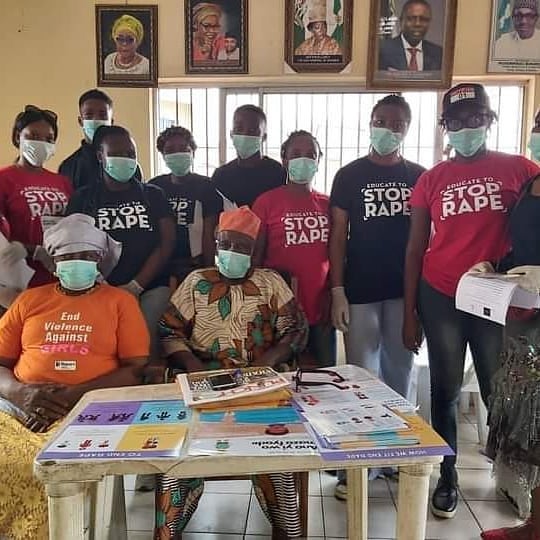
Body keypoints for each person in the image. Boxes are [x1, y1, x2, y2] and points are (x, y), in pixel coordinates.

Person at [403, 83, 540, 520]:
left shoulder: (520, 169)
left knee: (497, 390)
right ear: (445, 126)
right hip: (441, 292)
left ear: (489, 120)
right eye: (456, 121)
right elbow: (415, 248)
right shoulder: (431, 179)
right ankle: (447, 477)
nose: (466, 128)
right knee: (444, 389)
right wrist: (409, 312)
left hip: (494, 297)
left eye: (475, 118)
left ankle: (510, 476)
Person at [156, 206, 308, 539]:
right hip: (204, 385)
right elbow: (169, 329)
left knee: (279, 462)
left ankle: (287, 531)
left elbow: (296, 330)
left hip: (260, 385)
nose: (232, 252)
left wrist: (266, 363)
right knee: (175, 464)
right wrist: (194, 368)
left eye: (241, 247)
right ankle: (170, 531)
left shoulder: (270, 282)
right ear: (215, 244)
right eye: (225, 244)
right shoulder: (197, 282)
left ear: (253, 251)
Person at [0, 213, 150, 540]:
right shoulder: (29, 301)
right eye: (68, 256)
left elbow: (134, 368)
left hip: (93, 407)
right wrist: (20, 393)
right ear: (54, 263)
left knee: (50, 468)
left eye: (87, 255)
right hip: (19, 405)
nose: (77, 262)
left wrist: (71, 397)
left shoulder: (120, 302)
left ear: (100, 260)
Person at [329, 94, 425, 498]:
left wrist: (418, 304)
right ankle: (360, 465)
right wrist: (337, 290)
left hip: (404, 291)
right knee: (359, 377)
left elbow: (425, 241)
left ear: (408, 129)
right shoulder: (348, 176)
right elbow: (337, 237)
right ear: (370, 123)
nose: (389, 129)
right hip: (360, 290)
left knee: (401, 374)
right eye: (381, 121)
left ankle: (396, 456)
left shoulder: (419, 176)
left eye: (398, 123)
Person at [477, 110, 540, 540]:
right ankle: (534, 523)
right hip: (522, 315)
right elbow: (524, 243)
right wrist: (496, 268)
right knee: (528, 420)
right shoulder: (531, 182)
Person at [66, 125, 175, 365]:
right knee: (104, 348)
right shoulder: (83, 197)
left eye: (130, 154)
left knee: (146, 345)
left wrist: (136, 285)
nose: (125, 159)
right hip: (97, 287)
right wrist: (103, 286)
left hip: (150, 286)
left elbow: (167, 242)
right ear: (100, 156)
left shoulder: (153, 194)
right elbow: (72, 245)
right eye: (116, 154)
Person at [253, 130, 334, 368]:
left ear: (318, 161)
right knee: (280, 377)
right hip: (280, 311)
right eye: (296, 153)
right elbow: (256, 258)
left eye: (311, 154)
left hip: (320, 308)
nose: (304, 159)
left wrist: (333, 293)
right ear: (284, 159)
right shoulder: (266, 202)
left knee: (324, 377)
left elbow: (338, 254)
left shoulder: (328, 204)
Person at [0, 105, 72, 288]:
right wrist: (30, 250)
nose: (41, 143)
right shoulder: (4, 179)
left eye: (49, 139)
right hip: (19, 280)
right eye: (33, 136)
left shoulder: (62, 182)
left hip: (60, 278)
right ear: (18, 137)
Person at [149, 126, 222, 286]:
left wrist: (209, 272)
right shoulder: (154, 187)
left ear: (192, 153)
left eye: (183, 148)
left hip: (194, 265)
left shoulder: (206, 186)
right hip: (160, 266)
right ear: (163, 155)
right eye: (170, 150)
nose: (177, 154)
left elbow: (208, 233)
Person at [212, 104, 286, 207]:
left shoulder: (278, 173)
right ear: (231, 134)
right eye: (239, 129)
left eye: (252, 131)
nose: (245, 134)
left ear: (264, 137)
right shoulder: (221, 176)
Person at [59, 89, 114, 191]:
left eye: (102, 115)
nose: (95, 119)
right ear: (80, 121)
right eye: (89, 115)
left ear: (111, 121)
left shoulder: (125, 162)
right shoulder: (69, 166)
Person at [378, 0, 443, 71]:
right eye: (411, 19)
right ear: (401, 21)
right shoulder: (382, 50)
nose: (417, 24)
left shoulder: (438, 53)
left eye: (423, 19)